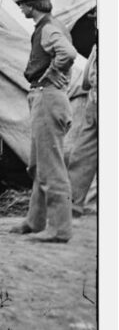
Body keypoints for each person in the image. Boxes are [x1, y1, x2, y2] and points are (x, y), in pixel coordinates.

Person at [10, 0, 77, 243]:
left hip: (48, 97)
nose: (20, 8)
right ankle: (35, 221)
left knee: (52, 168)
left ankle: (60, 229)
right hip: (45, 97)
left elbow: (68, 53)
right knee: (39, 166)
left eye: (22, 4)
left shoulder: (48, 29)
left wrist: (50, 74)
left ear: (32, 5)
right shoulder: (50, 26)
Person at [67, 40, 97, 217]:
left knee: (82, 154)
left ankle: (73, 204)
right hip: (94, 103)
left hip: (94, 100)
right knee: (82, 153)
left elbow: (86, 80)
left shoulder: (96, 45)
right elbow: (86, 80)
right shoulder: (96, 46)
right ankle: (74, 204)